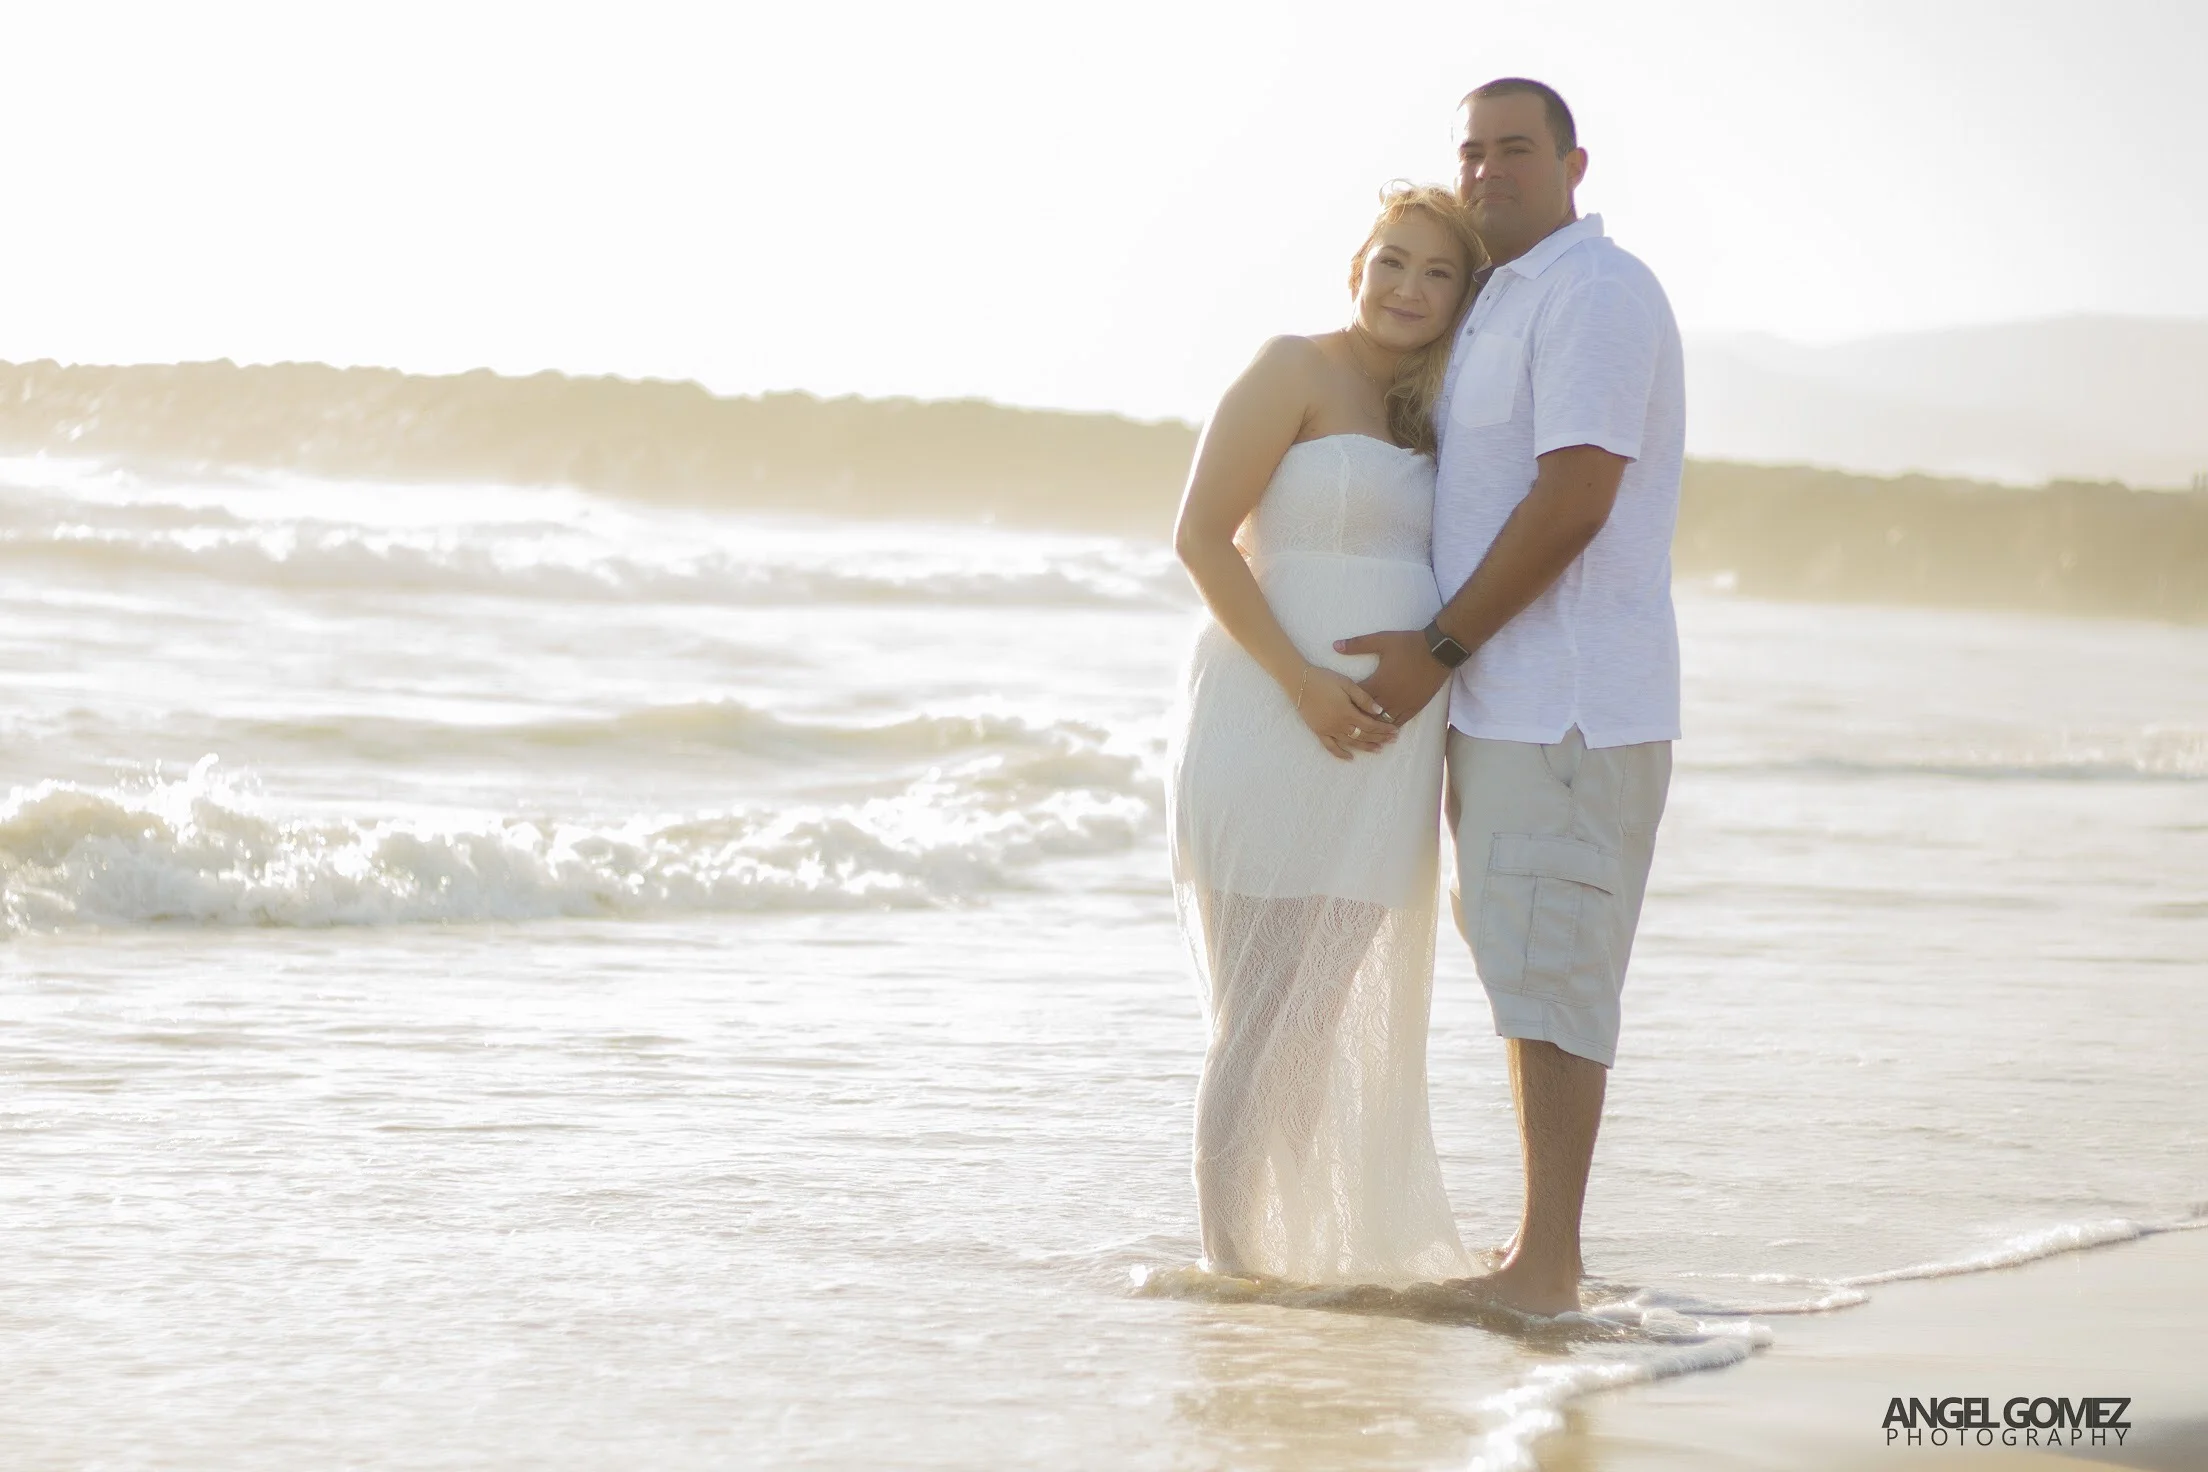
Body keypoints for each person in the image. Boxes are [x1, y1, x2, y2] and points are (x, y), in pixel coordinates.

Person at [1340, 79, 1686, 1315]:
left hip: (1568, 705)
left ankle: (1546, 1269)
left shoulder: (1594, 292)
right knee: (1527, 966)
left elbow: (1578, 495)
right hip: (1510, 706)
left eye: (1515, 149)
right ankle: (1540, 1250)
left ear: (1574, 163)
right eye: (1471, 150)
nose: (1487, 170)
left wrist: (1435, 645)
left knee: (1558, 969)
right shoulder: (1504, 302)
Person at [1168, 184, 1485, 1284]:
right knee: (1259, 1008)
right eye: (1392, 260)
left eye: (1439, 272)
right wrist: (1302, 680)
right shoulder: (1292, 367)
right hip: (1269, 714)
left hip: (1384, 748)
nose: (1409, 286)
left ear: (1464, 295)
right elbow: (1202, 536)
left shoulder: (1443, 407)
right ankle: (1231, 1264)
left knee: (1317, 1014)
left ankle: (1297, 1247)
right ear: (1357, 265)